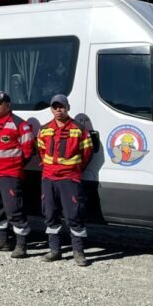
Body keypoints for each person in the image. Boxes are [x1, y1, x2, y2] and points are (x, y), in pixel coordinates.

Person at [37, 94, 94, 266]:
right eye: (55, 107)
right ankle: (55, 250)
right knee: (50, 214)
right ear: (51, 109)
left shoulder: (79, 129)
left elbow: (87, 153)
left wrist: (74, 169)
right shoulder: (44, 129)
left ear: (68, 108)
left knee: (74, 215)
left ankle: (78, 252)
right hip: (49, 177)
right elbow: (41, 151)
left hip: (70, 178)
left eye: (61, 106)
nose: (58, 110)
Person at [0, 90, 35, 258]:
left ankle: (21, 244)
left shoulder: (20, 124)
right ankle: (2, 240)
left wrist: (14, 166)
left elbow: (28, 150)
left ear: (8, 105)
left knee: (14, 209)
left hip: (10, 175)